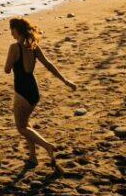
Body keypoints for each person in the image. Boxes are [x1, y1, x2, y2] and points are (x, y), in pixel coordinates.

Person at [4, 17, 77, 172]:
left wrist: (10, 61)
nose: (11, 33)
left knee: (21, 127)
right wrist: (66, 81)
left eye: (11, 29)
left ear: (16, 30)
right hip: (34, 91)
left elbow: (7, 69)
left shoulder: (14, 47)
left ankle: (47, 146)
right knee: (26, 124)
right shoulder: (33, 46)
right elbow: (49, 65)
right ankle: (32, 156)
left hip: (22, 92)